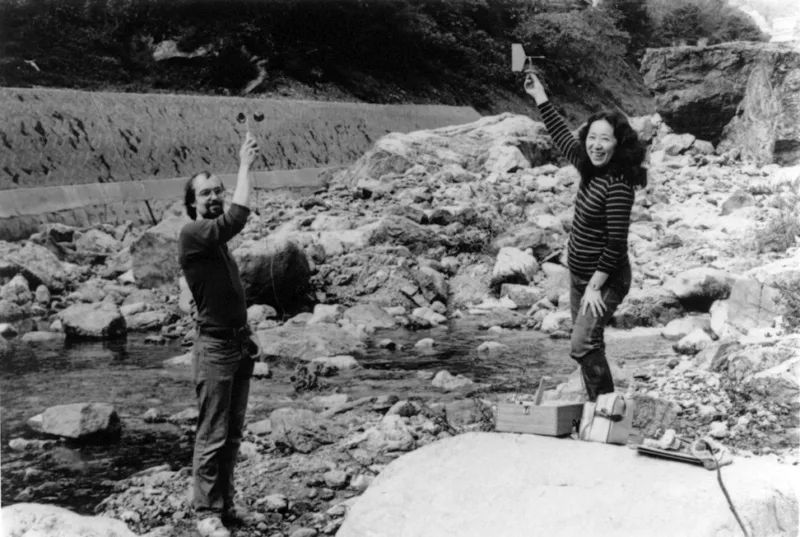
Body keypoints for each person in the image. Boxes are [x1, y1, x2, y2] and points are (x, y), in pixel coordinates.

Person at [524, 72, 647, 402]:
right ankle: (599, 408)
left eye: (605, 139)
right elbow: (563, 138)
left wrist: (595, 285)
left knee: (581, 344)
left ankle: (607, 407)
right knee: (592, 342)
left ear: (618, 143)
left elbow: (616, 243)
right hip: (580, 276)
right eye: (592, 138)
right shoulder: (589, 167)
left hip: (605, 280)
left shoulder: (618, 184)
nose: (596, 145)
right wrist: (540, 96)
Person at [178, 132, 264, 537]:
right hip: (213, 347)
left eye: (218, 191)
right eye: (206, 194)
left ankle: (226, 505)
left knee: (233, 432)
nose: (213, 198)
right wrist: (245, 165)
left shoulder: (216, 244)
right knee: (212, 432)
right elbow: (237, 217)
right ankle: (205, 513)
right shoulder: (193, 234)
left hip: (237, 343)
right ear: (192, 204)